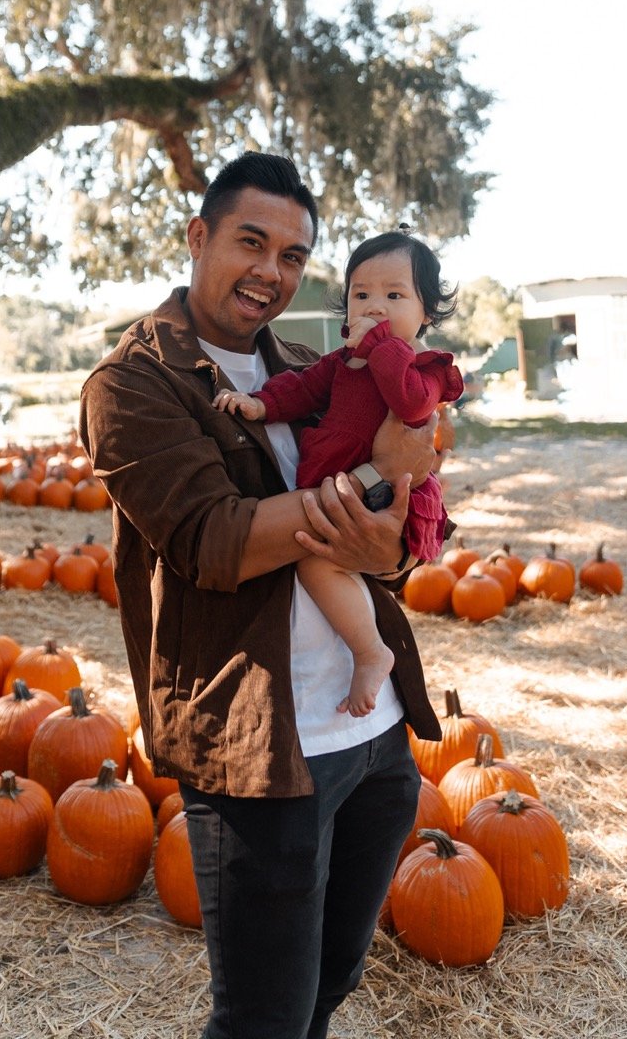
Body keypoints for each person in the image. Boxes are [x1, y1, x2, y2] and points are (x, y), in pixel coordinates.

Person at [79, 151, 441, 1039]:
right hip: (260, 751)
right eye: (250, 242)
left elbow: (397, 544)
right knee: (261, 1019)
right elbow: (212, 541)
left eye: (292, 257)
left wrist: (386, 502)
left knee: (329, 987)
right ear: (198, 237)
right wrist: (370, 488)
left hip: (373, 734)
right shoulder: (133, 381)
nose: (270, 272)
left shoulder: (310, 366)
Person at [213, 229, 462, 717]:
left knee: (316, 561)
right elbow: (302, 389)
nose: (375, 307)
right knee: (326, 556)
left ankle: (370, 652)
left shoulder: (428, 369)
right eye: (361, 295)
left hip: (381, 494)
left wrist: (384, 345)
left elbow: (409, 403)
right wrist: (260, 405)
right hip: (346, 483)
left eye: (394, 296)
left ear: (426, 312)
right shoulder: (341, 364)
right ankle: (366, 646)